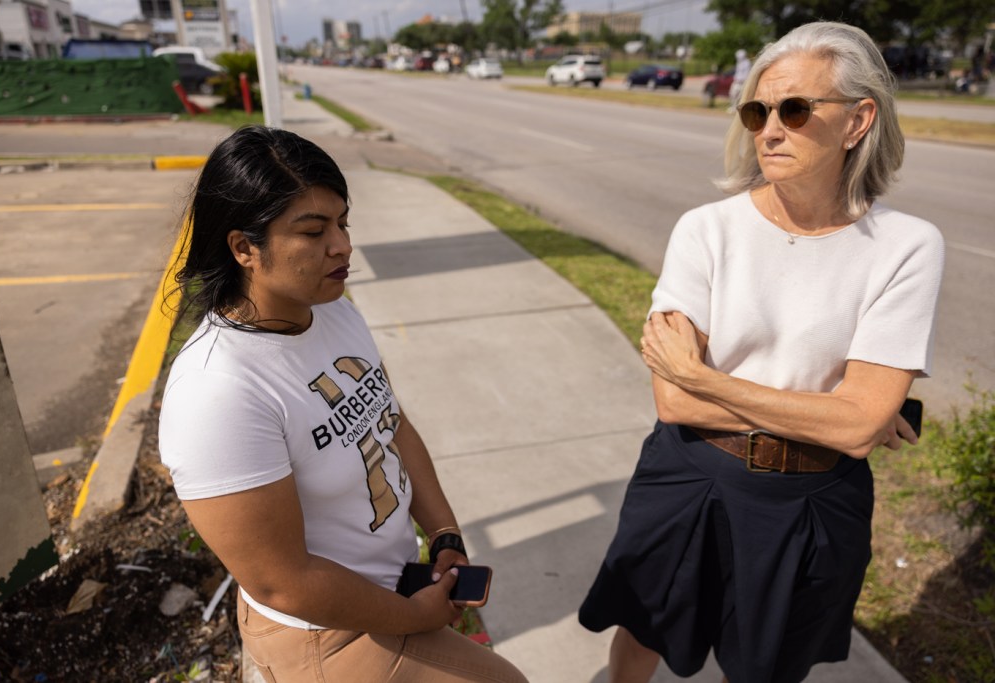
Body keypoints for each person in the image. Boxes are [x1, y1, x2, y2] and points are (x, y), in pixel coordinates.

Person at [579, 21, 944, 683]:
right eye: (758, 110)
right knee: (644, 629)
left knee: (770, 663)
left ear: (859, 120)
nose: (770, 128)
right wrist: (831, 410)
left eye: (796, 109)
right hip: (689, 473)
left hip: (812, 499)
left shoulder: (907, 247)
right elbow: (672, 396)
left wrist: (709, 379)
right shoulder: (706, 229)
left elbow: (857, 424)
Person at [158, 125, 528, 683]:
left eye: (343, 222)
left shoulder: (331, 309)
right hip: (323, 632)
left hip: (393, 586)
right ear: (244, 248)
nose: (343, 246)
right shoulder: (217, 390)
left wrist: (444, 534)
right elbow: (282, 580)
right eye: (313, 231)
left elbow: (389, 423)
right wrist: (410, 615)